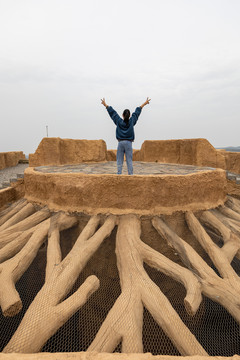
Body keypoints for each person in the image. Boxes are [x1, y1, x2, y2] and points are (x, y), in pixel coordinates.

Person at [101, 97, 151, 175]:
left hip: (120, 143)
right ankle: (130, 174)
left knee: (119, 160)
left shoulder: (118, 121)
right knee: (129, 160)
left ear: (123, 115)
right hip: (128, 143)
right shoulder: (131, 121)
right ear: (130, 115)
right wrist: (145, 103)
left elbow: (113, 113)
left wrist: (105, 105)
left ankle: (119, 173)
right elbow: (137, 112)